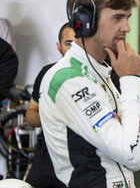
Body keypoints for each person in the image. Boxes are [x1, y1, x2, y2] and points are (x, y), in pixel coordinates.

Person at [39, 0, 140, 188]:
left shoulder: (100, 71)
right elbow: (133, 155)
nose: (127, 27)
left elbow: (129, 139)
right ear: (85, 20)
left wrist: (124, 127)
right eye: (117, 18)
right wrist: (131, 80)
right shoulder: (69, 79)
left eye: (128, 17)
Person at [25, 22, 75, 187]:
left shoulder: (100, 73)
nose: (73, 49)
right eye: (68, 44)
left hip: (82, 157)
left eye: (78, 43)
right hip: (48, 155)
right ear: (58, 46)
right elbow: (31, 114)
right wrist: (54, 116)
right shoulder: (46, 73)